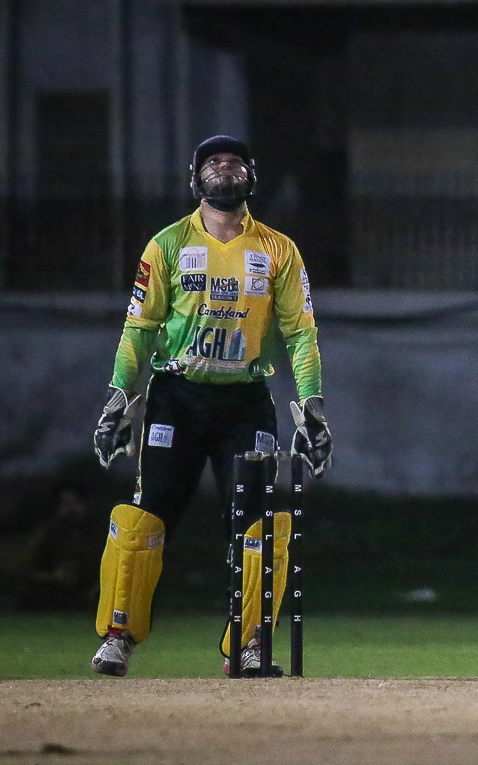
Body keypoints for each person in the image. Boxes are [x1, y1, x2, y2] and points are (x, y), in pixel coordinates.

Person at [88, 135, 333, 678]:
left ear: (252, 176)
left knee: (259, 526)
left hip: (246, 403)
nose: (225, 169)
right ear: (196, 178)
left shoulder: (278, 249)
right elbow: (140, 328)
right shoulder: (167, 244)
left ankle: (248, 647)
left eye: (235, 162)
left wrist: (312, 408)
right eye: (213, 163)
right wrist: (118, 400)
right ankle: (118, 636)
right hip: (176, 399)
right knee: (145, 517)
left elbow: (301, 333)